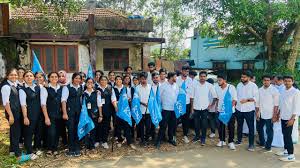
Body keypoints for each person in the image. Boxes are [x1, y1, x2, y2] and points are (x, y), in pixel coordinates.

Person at [276, 75, 300, 162]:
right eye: (285, 81)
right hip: (283, 116)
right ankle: (286, 151)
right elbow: (281, 103)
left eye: (289, 81)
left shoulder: (296, 92)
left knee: (288, 136)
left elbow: (297, 106)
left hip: (290, 118)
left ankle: (291, 155)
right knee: (284, 134)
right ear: (283, 81)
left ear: (292, 82)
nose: (287, 82)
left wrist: (292, 119)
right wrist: (278, 114)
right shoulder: (283, 90)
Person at [191, 71, 217, 145]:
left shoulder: (209, 85)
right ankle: (197, 136)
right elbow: (192, 98)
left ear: (206, 77)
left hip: (205, 108)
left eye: (204, 76)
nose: (202, 78)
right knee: (196, 124)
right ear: (199, 77)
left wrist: (211, 105)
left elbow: (215, 97)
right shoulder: (194, 85)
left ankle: (203, 138)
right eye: (201, 76)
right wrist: (191, 108)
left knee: (204, 124)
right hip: (196, 107)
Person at [236, 71, 259, 152]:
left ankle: (251, 144)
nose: (242, 78)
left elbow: (256, 98)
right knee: (239, 126)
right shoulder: (239, 85)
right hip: (239, 109)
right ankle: (239, 140)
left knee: (251, 127)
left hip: (249, 109)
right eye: (242, 77)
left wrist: (247, 100)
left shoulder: (253, 86)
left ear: (249, 78)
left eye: (244, 77)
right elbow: (236, 96)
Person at [111, 75, 136, 149]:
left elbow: (129, 98)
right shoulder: (113, 89)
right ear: (115, 81)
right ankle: (119, 140)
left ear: (122, 80)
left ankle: (129, 142)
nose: (118, 80)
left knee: (127, 126)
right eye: (117, 79)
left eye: (120, 79)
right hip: (118, 110)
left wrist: (128, 100)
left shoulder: (125, 88)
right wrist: (116, 107)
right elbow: (113, 98)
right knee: (118, 127)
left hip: (125, 110)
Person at [40, 72, 63, 156]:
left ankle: (55, 148)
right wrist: (46, 117)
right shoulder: (45, 89)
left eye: (56, 77)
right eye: (52, 77)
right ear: (49, 78)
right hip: (49, 114)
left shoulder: (61, 88)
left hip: (59, 114)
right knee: (51, 132)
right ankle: (50, 148)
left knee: (57, 132)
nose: (54, 78)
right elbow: (43, 104)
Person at [61, 72, 83, 157]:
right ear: (73, 78)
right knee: (70, 130)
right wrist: (65, 113)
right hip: (69, 113)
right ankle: (71, 149)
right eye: (76, 78)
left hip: (78, 112)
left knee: (77, 130)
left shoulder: (80, 87)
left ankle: (77, 148)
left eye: (79, 78)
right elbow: (63, 101)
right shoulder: (67, 88)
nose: (77, 80)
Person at [256, 74, 279, 152]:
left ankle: (268, 146)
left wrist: (274, 115)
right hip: (261, 113)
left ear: (270, 81)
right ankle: (262, 143)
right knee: (259, 128)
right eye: (264, 80)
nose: (266, 82)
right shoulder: (259, 90)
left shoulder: (274, 90)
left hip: (270, 114)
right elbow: (257, 103)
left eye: (268, 80)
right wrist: (257, 113)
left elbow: (276, 105)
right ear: (262, 81)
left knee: (269, 131)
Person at [1, 68, 22, 157]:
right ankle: (17, 154)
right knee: (15, 132)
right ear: (7, 76)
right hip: (12, 112)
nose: (14, 76)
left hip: (17, 112)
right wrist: (10, 115)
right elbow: (6, 103)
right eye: (11, 75)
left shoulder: (16, 84)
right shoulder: (6, 87)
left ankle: (12, 151)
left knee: (14, 131)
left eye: (15, 75)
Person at [156, 72, 179, 149]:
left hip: (174, 109)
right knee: (163, 126)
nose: (176, 78)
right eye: (175, 77)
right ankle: (158, 141)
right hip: (165, 109)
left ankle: (171, 139)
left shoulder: (176, 85)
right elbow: (159, 97)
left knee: (172, 126)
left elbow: (178, 96)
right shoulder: (163, 86)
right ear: (171, 77)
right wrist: (159, 108)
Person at [215, 73, 237, 150]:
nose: (218, 82)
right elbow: (217, 99)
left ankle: (231, 142)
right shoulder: (217, 88)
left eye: (220, 80)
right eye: (217, 80)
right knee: (220, 126)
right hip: (220, 111)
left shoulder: (231, 87)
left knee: (231, 127)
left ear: (224, 80)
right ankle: (222, 140)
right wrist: (216, 108)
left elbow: (234, 100)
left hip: (230, 111)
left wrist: (228, 109)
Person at [83, 78, 103, 150]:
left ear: (93, 84)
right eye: (88, 82)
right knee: (86, 130)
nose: (89, 83)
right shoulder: (83, 93)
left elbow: (99, 104)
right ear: (85, 83)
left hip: (94, 114)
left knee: (93, 129)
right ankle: (86, 145)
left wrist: (100, 115)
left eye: (91, 82)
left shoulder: (97, 93)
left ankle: (92, 145)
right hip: (85, 115)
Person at [176, 65, 193, 144]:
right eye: (185, 71)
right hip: (178, 103)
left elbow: (191, 95)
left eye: (187, 71)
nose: (186, 72)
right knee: (175, 120)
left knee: (185, 120)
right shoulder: (177, 79)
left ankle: (185, 135)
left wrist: (192, 107)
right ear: (182, 71)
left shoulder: (190, 80)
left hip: (187, 103)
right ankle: (173, 135)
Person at [136, 72, 152, 146]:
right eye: (142, 79)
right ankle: (142, 140)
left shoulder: (150, 87)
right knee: (141, 127)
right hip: (140, 111)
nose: (143, 80)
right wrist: (142, 103)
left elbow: (152, 97)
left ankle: (147, 138)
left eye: (145, 79)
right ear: (140, 79)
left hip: (149, 111)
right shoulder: (137, 88)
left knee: (148, 126)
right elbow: (136, 99)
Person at [98, 76, 114, 149]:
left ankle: (105, 141)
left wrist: (116, 107)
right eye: (102, 80)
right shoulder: (96, 88)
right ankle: (98, 140)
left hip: (108, 110)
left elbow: (113, 98)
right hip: (98, 110)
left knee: (106, 126)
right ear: (99, 81)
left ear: (107, 81)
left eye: (105, 80)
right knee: (99, 126)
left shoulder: (110, 88)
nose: (103, 81)